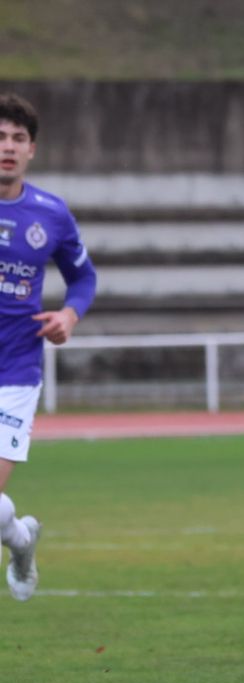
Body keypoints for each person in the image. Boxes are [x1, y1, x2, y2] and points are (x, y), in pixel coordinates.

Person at [0, 92, 96, 602]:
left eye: (17, 138)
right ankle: (21, 539)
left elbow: (84, 278)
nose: (7, 147)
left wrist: (68, 314)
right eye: (0, 137)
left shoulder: (50, 215)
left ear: (31, 149)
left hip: (15, 374)